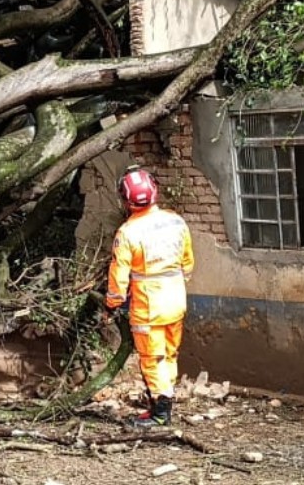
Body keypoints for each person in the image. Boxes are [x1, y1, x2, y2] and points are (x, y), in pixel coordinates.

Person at [104, 166, 195, 427]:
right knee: (169, 354)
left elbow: (118, 280)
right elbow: (188, 263)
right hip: (176, 301)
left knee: (152, 359)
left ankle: (160, 413)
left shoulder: (128, 233)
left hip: (148, 308)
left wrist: (111, 305)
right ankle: (162, 401)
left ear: (125, 199)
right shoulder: (176, 221)